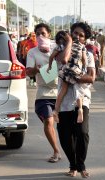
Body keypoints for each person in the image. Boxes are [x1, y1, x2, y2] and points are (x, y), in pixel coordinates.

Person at [57, 22, 95, 178]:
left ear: (85, 39)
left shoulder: (89, 54)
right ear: (69, 35)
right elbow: (63, 61)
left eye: (82, 35)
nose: (78, 37)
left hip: (82, 99)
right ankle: (72, 164)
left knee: (82, 133)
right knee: (65, 136)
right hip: (64, 101)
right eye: (75, 34)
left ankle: (81, 165)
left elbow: (91, 77)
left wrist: (73, 77)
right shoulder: (61, 52)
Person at [25, 23, 61, 163]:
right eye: (37, 34)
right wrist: (37, 70)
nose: (40, 36)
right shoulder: (32, 52)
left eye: (43, 33)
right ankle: (56, 151)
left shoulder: (57, 48)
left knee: (65, 127)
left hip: (60, 92)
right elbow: (28, 71)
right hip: (44, 92)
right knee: (48, 121)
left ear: (49, 35)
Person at [47, 30, 87, 123]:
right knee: (77, 89)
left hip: (65, 70)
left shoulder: (63, 46)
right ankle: (80, 109)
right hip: (76, 70)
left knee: (62, 90)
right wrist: (84, 69)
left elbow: (52, 56)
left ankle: (56, 111)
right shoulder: (82, 46)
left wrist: (49, 66)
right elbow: (84, 59)